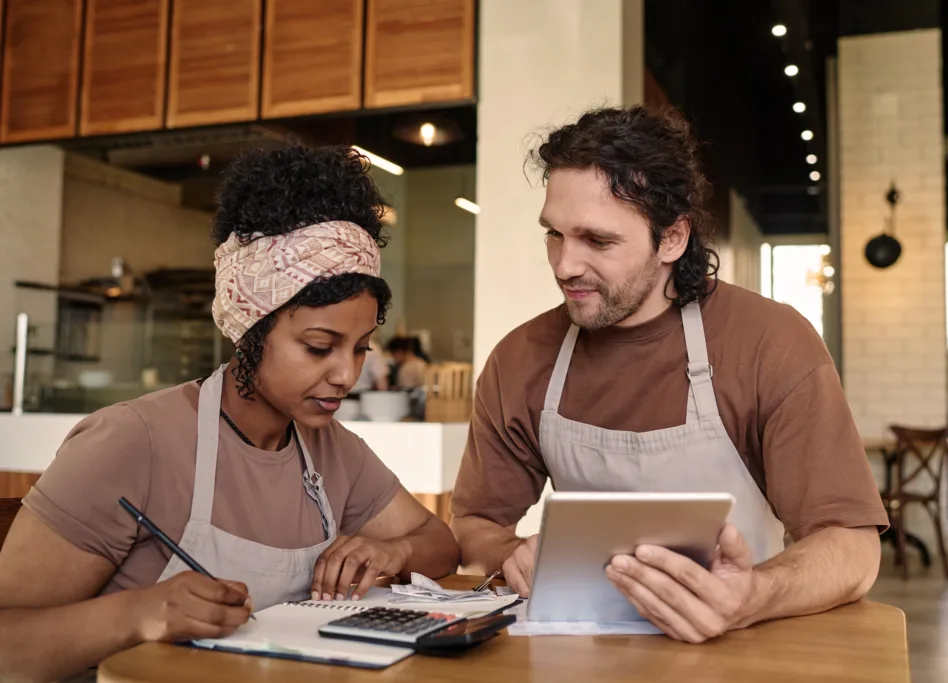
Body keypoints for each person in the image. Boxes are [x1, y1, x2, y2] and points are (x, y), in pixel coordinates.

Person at [0, 145, 460, 682]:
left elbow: (442, 545)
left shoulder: (333, 451)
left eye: (361, 347)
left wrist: (394, 551)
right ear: (251, 328)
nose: (346, 374)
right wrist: (137, 613)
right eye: (319, 346)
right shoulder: (131, 441)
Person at [450, 105, 888, 643]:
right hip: (584, 651)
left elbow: (853, 547)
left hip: (744, 649)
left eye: (598, 241)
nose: (564, 265)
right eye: (555, 235)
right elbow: (473, 525)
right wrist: (509, 554)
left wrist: (751, 596)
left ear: (673, 239)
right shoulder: (520, 360)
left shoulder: (770, 343)